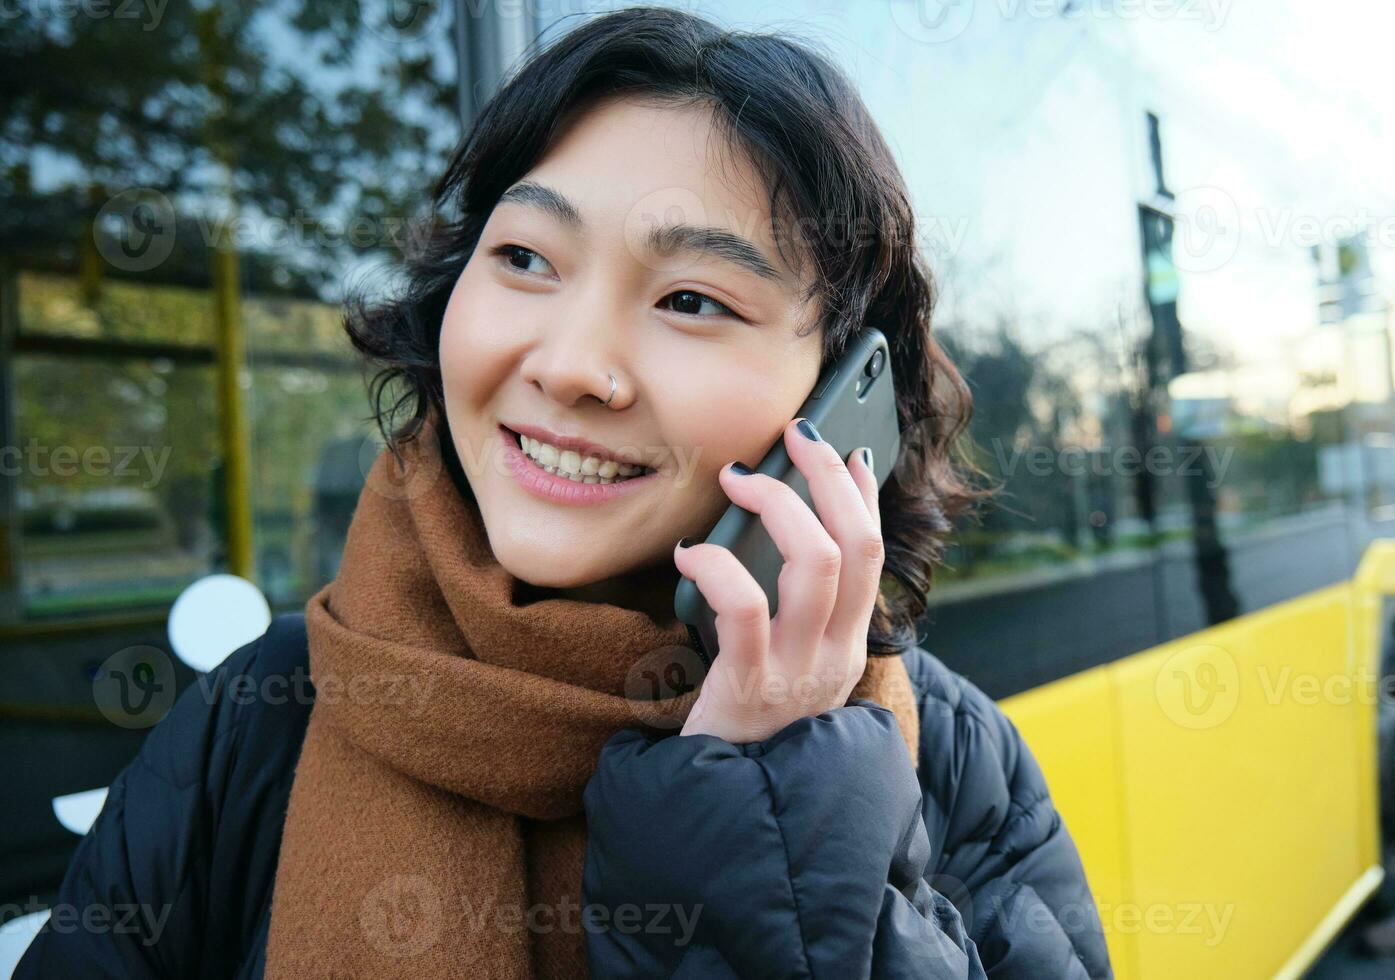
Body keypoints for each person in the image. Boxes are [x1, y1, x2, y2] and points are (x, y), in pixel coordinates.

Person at [16, 6, 1114, 978]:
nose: (570, 362)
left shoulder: (949, 759)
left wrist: (769, 801)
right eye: (528, 259)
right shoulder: (251, 724)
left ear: (838, 397)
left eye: (690, 298)